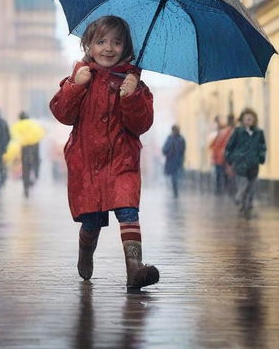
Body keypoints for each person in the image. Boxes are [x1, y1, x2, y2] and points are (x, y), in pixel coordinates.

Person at [50, 15, 158, 290]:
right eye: (101, 41)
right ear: (88, 44)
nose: (109, 48)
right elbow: (63, 114)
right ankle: (85, 251)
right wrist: (76, 85)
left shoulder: (134, 84)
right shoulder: (81, 77)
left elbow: (142, 124)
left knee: (128, 211)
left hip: (122, 160)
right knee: (92, 222)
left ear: (126, 47)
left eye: (117, 42)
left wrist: (131, 96)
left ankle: (134, 268)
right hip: (87, 163)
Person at [225, 108, 266, 217]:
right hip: (240, 164)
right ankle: (238, 198)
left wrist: (261, 157)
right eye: (246, 119)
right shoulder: (238, 132)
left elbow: (262, 146)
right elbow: (230, 145)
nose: (248, 121)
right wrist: (229, 158)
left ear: (254, 120)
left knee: (252, 187)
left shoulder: (259, 132)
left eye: (251, 119)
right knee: (243, 184)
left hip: (253, 164)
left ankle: (247, 205)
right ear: (243, 120)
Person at [11, 112, 45, 198]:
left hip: (25, 148)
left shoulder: (18, 125)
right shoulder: (33, 124)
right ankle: (34, 179)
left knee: (26, 169)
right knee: (34, 165)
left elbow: (15, 137)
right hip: (34, 147)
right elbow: (41, 133)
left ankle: (26, 187)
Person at [208, 116, 233, 195]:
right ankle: (223, 188)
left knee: (221, 174)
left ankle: (220, 189)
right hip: (220, 158)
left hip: (220, 158)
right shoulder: (221, 133)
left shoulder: (223, 133)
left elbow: (212, 146)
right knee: (222, 174)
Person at [162, 125, 185, 198]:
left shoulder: (180, 139)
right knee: (174, 177)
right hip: (173, 162)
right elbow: (164, 150)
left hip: (176, 161)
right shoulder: (171, 139)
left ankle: (176, 190)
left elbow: (182, 150)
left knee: (175, 177)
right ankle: (175, 191)